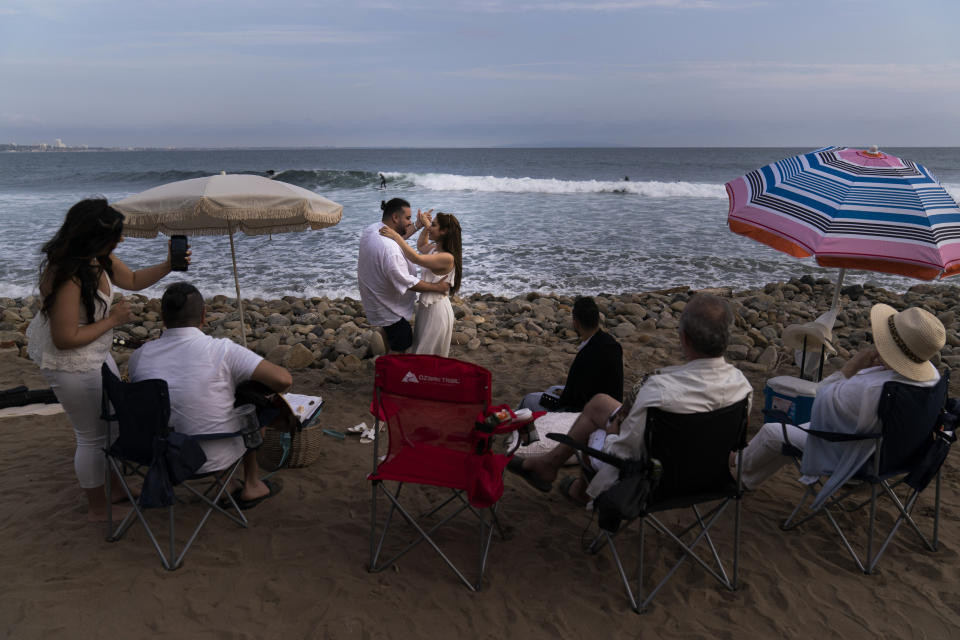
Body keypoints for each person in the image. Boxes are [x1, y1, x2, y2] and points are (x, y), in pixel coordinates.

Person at [507, 294, 752, 506]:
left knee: (595, 429)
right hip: (707, 477)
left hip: (653, 480)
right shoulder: (743, 387)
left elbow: (622, 453)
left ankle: (577, 491)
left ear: (684, 338)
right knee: (600, 403)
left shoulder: (659, 390)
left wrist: (612, 431)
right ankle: (549, 466)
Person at [25, 198, 183, 522]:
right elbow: (64, 339)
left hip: (94, 350)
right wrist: (114, 320)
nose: (122, 240)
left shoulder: (99, 257)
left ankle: (115, 488)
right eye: (117, 236)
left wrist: (169, 264)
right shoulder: (68, 275)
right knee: (92, 435)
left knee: (111, 426)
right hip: (70, 361)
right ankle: (98, 508)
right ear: (93, 237)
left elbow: (135, 280)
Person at [737, 304, 944, 509]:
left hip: (858, 456)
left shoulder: (872, 389)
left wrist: (852, 367)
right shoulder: (933, 379)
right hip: (902, 454)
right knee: (791, 433)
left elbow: (819, 399)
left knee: (773, 431)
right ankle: (746, 479)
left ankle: (736, 468)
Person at [128, 282, 293, 509]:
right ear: (203, 315)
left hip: (157, 457)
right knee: (252, 403)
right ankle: (251, 484)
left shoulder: (140, 356)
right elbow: (283, 380)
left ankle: (228, 484)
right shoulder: (222, 350)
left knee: (208, 402)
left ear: (162, 318)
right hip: (213, 456)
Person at [357, 198, 450, 353]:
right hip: (390, 311)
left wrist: (419, 226)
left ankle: (381, 351)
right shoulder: (390, 250)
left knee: (390, 338)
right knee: (403, 346)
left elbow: (398, 238)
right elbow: (409, 283)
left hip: (376, 301)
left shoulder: (372, 230)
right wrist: (438, 287)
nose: (409, 222)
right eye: (408, 218)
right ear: (395, 217)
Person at [517, 296, 623, 412]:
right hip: (613, 407)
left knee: (528, 400)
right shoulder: (611, 344)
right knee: (553, 388)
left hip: (587, 411)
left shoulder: (586, 355)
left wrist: (565, 394)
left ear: (576, 323)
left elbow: (576, 400)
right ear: (597, 319)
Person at [379, 211, 462, 356]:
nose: (430, 227)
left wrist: (396, 237)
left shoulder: (447, 257)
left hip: (437, 311)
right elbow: (421, 245)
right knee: (421, 351)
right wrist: (425, 225)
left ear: (444, 231)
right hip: (426, 308)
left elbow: (416, 258)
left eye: (434, 225)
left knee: (427, 354)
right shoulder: (435, 249)